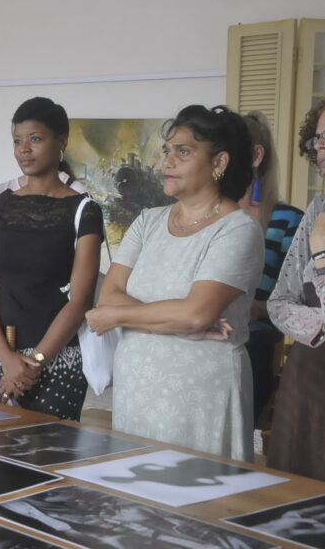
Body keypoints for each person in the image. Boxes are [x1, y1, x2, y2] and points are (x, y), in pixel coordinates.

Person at [85, 104, 263, 461]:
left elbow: (196, 313)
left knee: (199, 501)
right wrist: (180, 322)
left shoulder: (238, 229)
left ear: (219, 163)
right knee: (134, 498)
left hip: (202, 389)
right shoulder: (148, 222)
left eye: (183, 152)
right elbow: (110, 294)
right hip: (138, 384)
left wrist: (119, 317)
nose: (167, 163)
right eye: (167, 151)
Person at [0, 97, 103, 420]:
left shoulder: (84, 211)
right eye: (17, 141)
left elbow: (80, 299)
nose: (24, 149)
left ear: (62, 141)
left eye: (35, 139)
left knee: (46, 462)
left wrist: (36, 362)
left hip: (57, 359)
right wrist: (6, 357)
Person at [267, 96, 325, 483]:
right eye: (317, 139)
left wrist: (324, 243)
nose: (321, 144)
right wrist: (322, 327)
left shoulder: (321, 224)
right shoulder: (320, 207)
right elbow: (279, 303)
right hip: (310, 382)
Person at [237, 112, 303, 425]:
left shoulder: (290, 220)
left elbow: (301, 303)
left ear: (255, 155)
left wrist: (253, 309)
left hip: (252, 352)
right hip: (192, 346)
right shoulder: (202, 215)